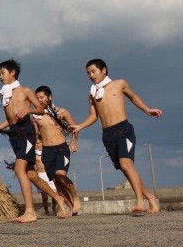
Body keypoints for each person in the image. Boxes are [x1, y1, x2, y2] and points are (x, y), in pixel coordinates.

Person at [70, 59, 162, 214]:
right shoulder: (92, 93)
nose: (91, 75)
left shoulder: (119, 83)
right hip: (107, 135)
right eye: (88, 73)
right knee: (126, 169)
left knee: (127, 165)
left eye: (93, 71)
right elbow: (93, 116)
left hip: (123, 130)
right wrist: (80, 126)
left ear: (104, 70)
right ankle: (150, 197)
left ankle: (140, 201)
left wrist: (147, 110)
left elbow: (133, 97)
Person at [0, 59, 69, 222]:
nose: (0, 77)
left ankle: (30, 211)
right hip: (13, 133)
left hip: (26, 132)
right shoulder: (4, 95)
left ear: (12, 72)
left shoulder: (25, 90)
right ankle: (58, 198)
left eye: (3, 73)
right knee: (31, 175)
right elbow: (9, 118)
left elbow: (41, 109)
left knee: (19, 168)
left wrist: (28, 110)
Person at [34, 86, 81, 215]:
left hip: (61, 148)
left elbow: (75, 128)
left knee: (61, 174)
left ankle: (75, 198)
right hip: (47, 151)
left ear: (50, 97)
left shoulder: (61, 112)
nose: (40, 100)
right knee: (56, 182)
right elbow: (34, 134)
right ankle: (70, 208)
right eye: (37, 98)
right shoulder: (36, 117)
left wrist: (73, 143)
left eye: (42, 97)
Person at [34, 140, 58, 216]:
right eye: (37, 143)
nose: (38, 144)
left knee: (54, 193)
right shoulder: (34, 154)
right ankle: (46, 211)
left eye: (40, 142)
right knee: (44, 197)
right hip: (40, 175)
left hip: (49, 174)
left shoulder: (47, 151)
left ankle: (54, 207)